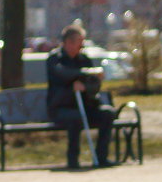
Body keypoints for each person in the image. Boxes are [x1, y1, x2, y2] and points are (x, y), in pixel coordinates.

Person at [46, 25, 115, 169]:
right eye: (80, 41)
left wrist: (86, 86)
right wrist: (81, 77)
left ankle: (101, 157)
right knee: (75, 118)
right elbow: (62, 73)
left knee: (107, 113)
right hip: (61, 108)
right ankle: (73, 160)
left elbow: (94, 84)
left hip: (86, 105)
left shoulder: (84, 59)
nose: (82, 45)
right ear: (69, 42)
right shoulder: (54, 59)